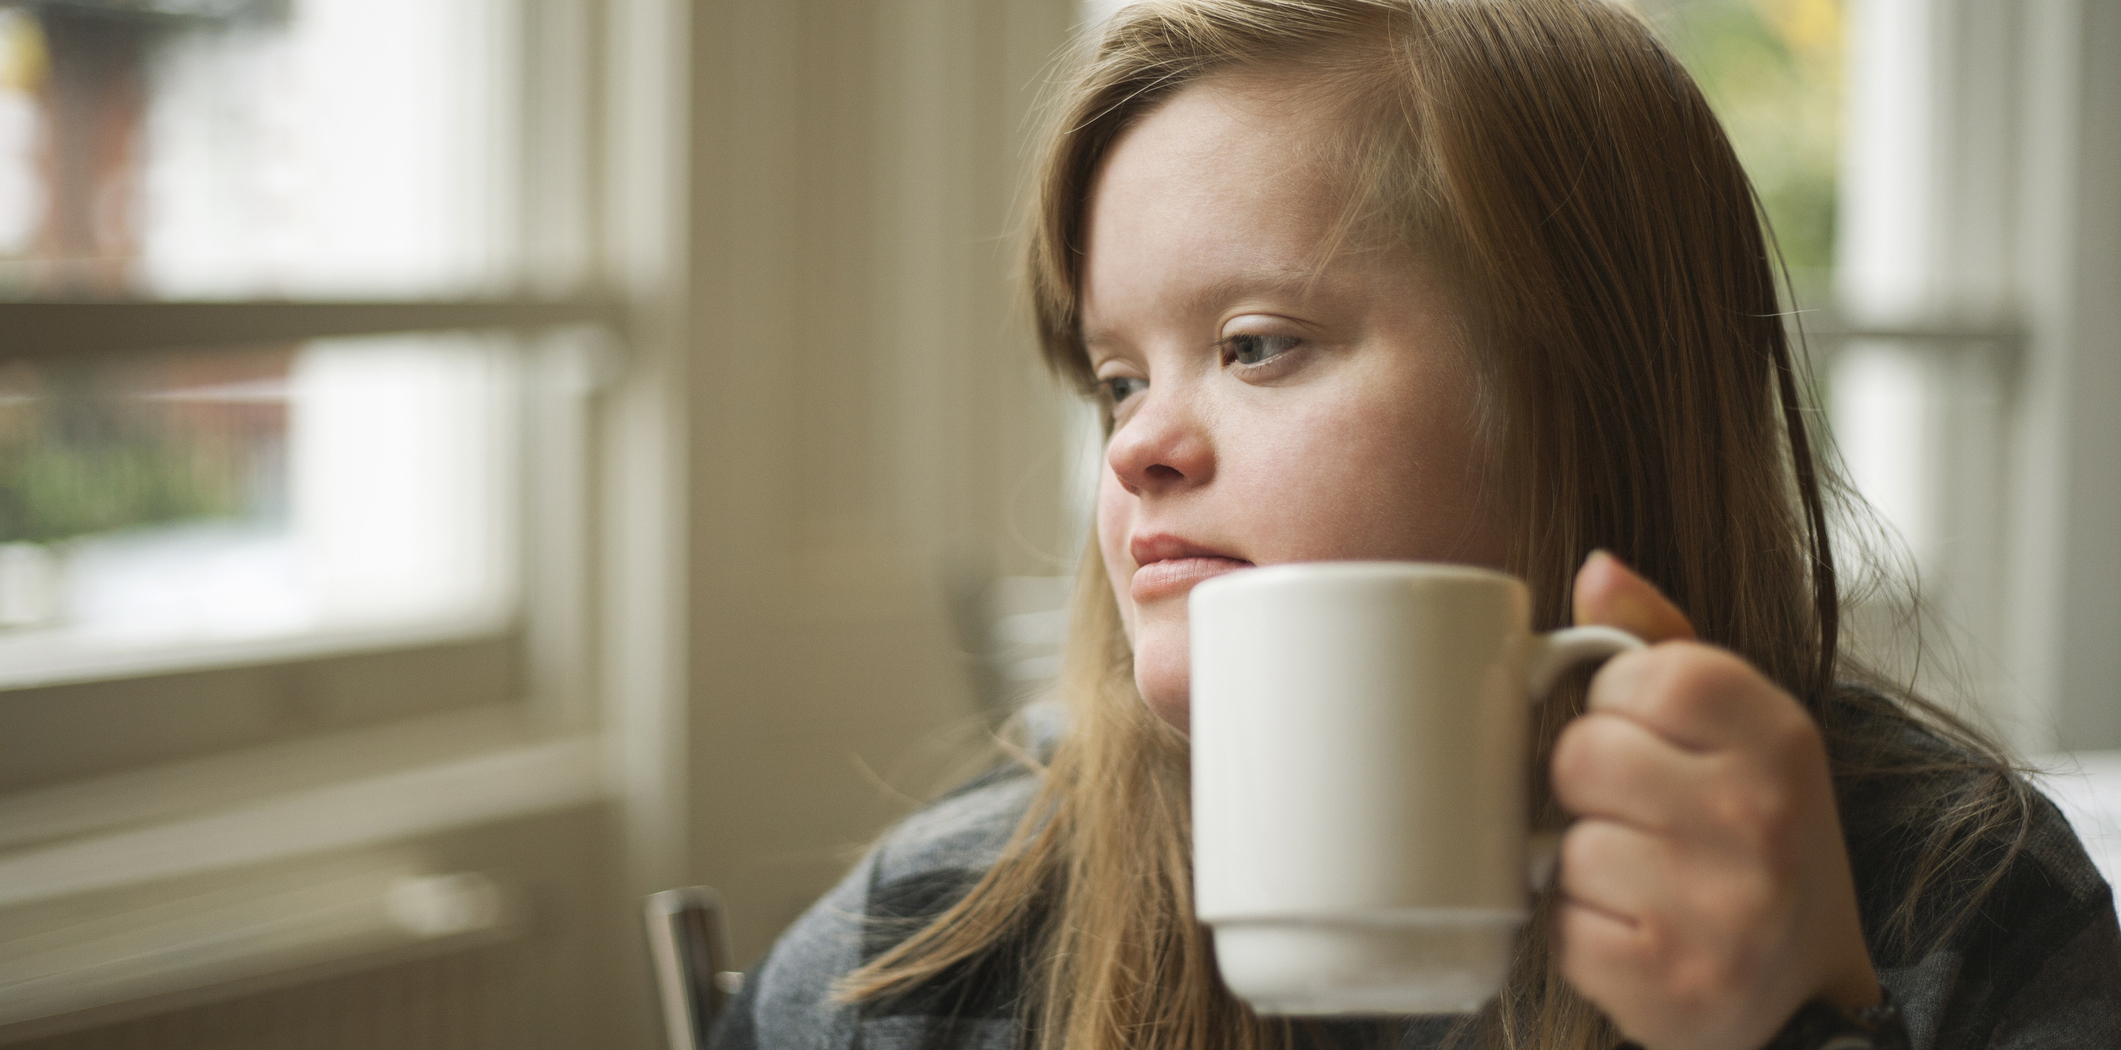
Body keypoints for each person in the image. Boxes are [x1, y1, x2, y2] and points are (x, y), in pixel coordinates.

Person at [708, 2, 2121, 1048]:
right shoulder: (936, 942)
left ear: (1587, 390)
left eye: (1256, 345)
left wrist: (1804, 1019)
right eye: (1115, 376)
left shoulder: (1949, 902)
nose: (1138, 442)